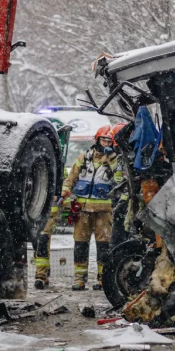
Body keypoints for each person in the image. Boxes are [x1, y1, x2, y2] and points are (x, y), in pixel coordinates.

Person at [62, 124, 118, 290]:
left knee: (103, 246)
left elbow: (119, 179)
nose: (105, 144)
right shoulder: (83, 158)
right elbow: (71, 178)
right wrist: (65, 191)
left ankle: (102, 279)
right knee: (80, 244)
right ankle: (79, 279)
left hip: (104, 211)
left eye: (109, 141)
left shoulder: (115, 161)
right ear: (97, 139)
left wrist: (112, 161)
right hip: (83, 210)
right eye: (103, 140)